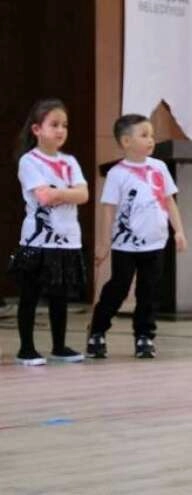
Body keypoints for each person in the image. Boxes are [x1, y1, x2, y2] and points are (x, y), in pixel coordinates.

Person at [86, 114, 187, 359]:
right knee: (118, 288)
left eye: (151, 135)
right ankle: (97, 331)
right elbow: (108, 210)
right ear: (126, 141)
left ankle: (144, 336)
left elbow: (169, 201)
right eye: (144, 135)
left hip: (156, 242)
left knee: (149, 291)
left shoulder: (159, 167)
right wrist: (104, 243)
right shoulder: (117, 174)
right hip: (126, 245)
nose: (151, 140)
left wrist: (179, 230)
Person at [10, 98, 89, 366]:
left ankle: (59, 346)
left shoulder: (70, 161)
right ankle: (26, 348)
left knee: (60, 296)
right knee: (30, 295)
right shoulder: (29, 161)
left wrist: (59, 192)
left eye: (64, 125)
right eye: (54, 124)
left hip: (67, 239)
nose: (60, 130)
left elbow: (84, 194)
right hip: (38, 240)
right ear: (37, 129)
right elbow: (43, 197)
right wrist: (66, 193)